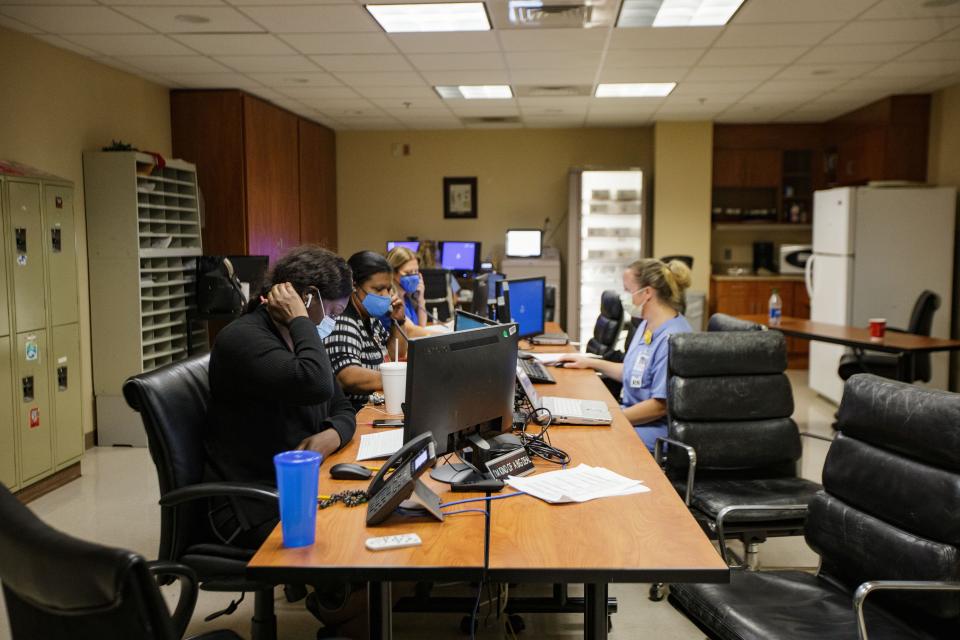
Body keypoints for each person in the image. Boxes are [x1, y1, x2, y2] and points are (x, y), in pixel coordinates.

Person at [206, 245, 356, 489]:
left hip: (299, 479)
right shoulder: (243, 338)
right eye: (334, 312)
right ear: (307, 297)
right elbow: (316, 385)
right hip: (258, 496)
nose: (333, 322)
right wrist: (300, 319)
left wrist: (334, 434)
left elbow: (342, 405)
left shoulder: (297, 339)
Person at [558, 258, 692, 451]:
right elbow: (632, 372)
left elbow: (659, 406)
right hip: (632, 415)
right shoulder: (647, 323)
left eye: (628, 290)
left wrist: (610, 417)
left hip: (655, 428)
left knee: (587, 440)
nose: (625, 297)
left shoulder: (673, 337)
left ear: (647, 292)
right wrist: (589, 362)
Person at [325, 251, 416, 411]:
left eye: (388, 289)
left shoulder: (370, 317)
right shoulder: (342, 321)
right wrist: (397, 379)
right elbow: (347, 376)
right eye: (378, 289)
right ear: (354, 285)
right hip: (354, 414)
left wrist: (399, 321)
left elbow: (396, 354)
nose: (386, 296)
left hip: (376, 405)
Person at [386, 245, 427, 327]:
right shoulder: (391, 300)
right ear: (393, 273)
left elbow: (422, 326)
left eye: (416, 272)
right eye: (408, 273)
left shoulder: (406, 298)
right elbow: (411, 331)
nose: (414, 277)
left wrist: (421, 298)